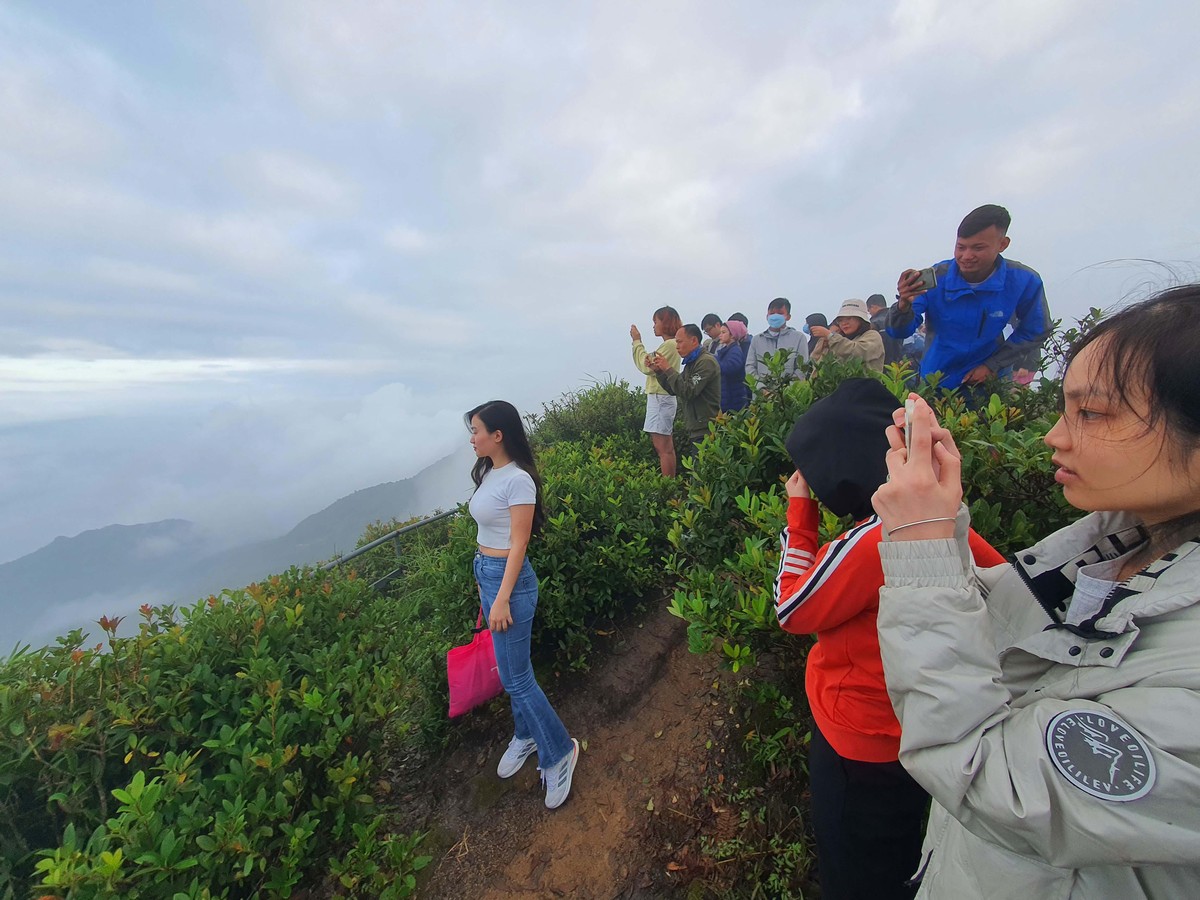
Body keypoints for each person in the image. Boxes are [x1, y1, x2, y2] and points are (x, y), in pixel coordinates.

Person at [870, 284, 1200, 898]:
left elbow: (991, 781)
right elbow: (997, 634)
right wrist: (941, 518)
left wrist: (920, 542)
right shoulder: (1127, 538)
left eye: (1090, 412)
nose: (1055, 435)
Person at [775, 378, 1004, 900]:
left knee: (857, 871)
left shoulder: (871, 539)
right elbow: (1004, 593)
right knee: (903, 858)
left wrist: (801, 513)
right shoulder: (938, 521)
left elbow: (793, 607)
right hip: (923, 735)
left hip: (857, 743)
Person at [466, 400, 580, 809]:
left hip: (508, 583)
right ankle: (526, 734)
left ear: (499, 435)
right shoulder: (491, 472)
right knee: (513, 670)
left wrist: (500, 598)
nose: (472, 438)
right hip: (488, 574)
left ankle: (558, 751)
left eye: (477, 430)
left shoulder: (519, 480)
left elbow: (519, 543)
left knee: (517, 679)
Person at [886, 204, 1051, 389]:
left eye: (977, 248)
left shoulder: (1024, 281)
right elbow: (899, 332)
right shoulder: (936, 279)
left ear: (1002, 244)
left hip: (991, 384)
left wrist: (993, 365)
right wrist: (903, 306)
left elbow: (1036, 329)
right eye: (961, 247)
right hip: (937, 382)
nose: (966, 256)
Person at [648, 323, 721, 450]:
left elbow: (688, 391)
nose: (677, 347)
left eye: (680, 342)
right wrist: (659, 371)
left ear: (694, 340)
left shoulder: (706, 362)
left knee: (703, 467)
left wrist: (668, 368)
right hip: (697, 429)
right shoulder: (691, 364)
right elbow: (674, 389)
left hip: (707, 429)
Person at [631, 307, 683, 477]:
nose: (654, 326)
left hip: (661, 398)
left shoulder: (670, 344)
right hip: (661, 398)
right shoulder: (671, 344)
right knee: (664, 446)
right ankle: (669, 486)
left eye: (656, 322)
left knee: (663, 448)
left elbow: (647, 366)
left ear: (665, 322)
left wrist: (637, 342)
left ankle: (668, 488)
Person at [809, 299, 886, 373]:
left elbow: (856, 353)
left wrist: (830, 336)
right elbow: (816, 362)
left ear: (861, 319)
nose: (844, 323)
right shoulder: (841, 339)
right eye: (840, 320)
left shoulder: (872, 336)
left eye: (849, 318)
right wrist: (824, 342)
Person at [746, 297, 809, 384]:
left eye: (780, 313)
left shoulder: (799, 338)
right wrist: (762, 388)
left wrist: (785, 389)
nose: (775, 316)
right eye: (772, 313)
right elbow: (750, 367)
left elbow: (802, 367)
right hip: (762, 394)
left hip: (789, 394)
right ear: (767, 316)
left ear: (788, 317)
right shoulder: (757, 339)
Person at [714, 322, 749, 412]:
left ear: (732, 335)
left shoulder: (735, 351)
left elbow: (730, 368)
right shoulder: (728, 350)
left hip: (734, 399)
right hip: (729, 397)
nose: (720, 335)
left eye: (723, 332)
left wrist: (714, 360)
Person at [865, 293, 904, 366]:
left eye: (869, 310)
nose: (869, 313)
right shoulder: (898, 319)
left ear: (873, 307)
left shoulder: (873, 323)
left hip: (881, 365)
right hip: (899, 366)